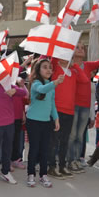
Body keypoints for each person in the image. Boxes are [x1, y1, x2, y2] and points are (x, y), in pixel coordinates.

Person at [67, 42, 99, 173]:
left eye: (82, 47)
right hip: (72, 105)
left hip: (84, 106)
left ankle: (78, 159)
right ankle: (70, 160)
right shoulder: (69, 66)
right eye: (77, 47)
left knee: (80, 136)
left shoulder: (88, 66)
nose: (80, 49)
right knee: (72, 135)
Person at [26, 59, 64, 188]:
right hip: (33, 121)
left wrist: (56, 119)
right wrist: (56, 82)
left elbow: (52, 104)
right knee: (34, 149)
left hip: (46, 122)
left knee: (45, 149)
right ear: (38, 70)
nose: (48, 70)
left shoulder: (51, 85)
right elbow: (42, 90)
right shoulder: (36, 83)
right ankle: (31, 174)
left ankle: (43, 175)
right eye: (45, 67)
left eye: (50, 68)